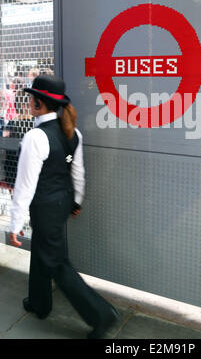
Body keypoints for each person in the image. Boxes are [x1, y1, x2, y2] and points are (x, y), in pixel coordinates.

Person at [8, 74, 119, 339]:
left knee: (56, 262)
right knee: (43, 251)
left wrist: (15, 224)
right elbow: (77, 172)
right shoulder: (73, 132)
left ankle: (101, 315)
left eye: (30, 98)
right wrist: (77, 201)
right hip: (62, 202)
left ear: (38, 104)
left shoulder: (36, 136)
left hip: (45, 206)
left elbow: (25, 186)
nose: (28, 103)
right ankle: (39, 303)